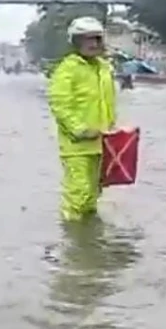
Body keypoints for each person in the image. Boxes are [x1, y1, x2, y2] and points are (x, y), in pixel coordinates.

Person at [48, 17, 117, 222]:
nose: (93, 44)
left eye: (96, 39)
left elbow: (108, 102)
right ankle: (72, 233)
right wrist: (80, 130)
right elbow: (60, 104)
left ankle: (90, 234)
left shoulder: (104, 68)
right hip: (77, 145)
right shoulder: (67, 69)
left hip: (101, 143)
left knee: (94, 194)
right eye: (87, 39)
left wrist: (112, 130)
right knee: (78, 193)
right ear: (76, 42)